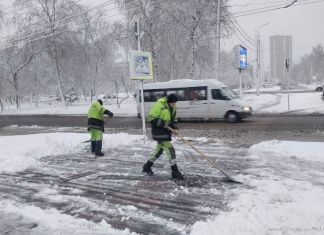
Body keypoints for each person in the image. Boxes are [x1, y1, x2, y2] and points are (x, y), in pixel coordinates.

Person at [142, 94, 184, 180]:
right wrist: (163, 123)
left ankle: (147, 167)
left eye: (175, 103)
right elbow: (151, 118)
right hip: (159, 132)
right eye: (173, 103)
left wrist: (175, 128)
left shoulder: (173, 107)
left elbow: (173, 120)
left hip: (166, 132)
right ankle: (175, 172)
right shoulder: (159, 105)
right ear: (169, 102)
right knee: (170, 150)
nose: (175, 105)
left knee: (159, 150)